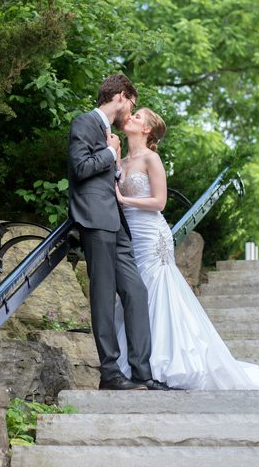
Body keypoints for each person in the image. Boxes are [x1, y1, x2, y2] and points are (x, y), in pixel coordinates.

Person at [114, 107, 259, 390]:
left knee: (156, 291)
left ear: (147, 130)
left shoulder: (151, 158)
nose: (130, 117)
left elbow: (159, 202)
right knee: (136, 293)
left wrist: (124, 200)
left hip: (152, 235)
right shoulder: (122, 159)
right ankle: (138, 362)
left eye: (138, 116)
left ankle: (163, 363)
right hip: (131, 236)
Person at [67, 75, 170, 391]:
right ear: (122, 97)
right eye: (133, 105)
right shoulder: (85, 123)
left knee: (136, 291)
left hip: (119, 224)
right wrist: (111, 154)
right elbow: (80, 168)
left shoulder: (111, 135)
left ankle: (142, 372)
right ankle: (110, 373)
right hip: (95, 220)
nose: (132, 112)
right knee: (102, 295)